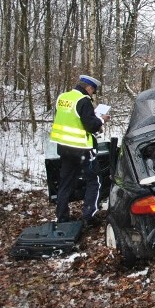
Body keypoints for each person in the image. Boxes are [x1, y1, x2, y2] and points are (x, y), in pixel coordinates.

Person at [50, 75, 110, 227]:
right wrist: (102, 120)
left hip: (64, 148)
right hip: (82, 149)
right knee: (94, 181)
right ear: (89, 88)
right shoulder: (83, 101)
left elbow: (70, 119)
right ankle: (88, 217)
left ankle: (62, 216)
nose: (92, 94)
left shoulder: (62, 97)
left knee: (65, 182)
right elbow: (91, 126)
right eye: (93, 91)